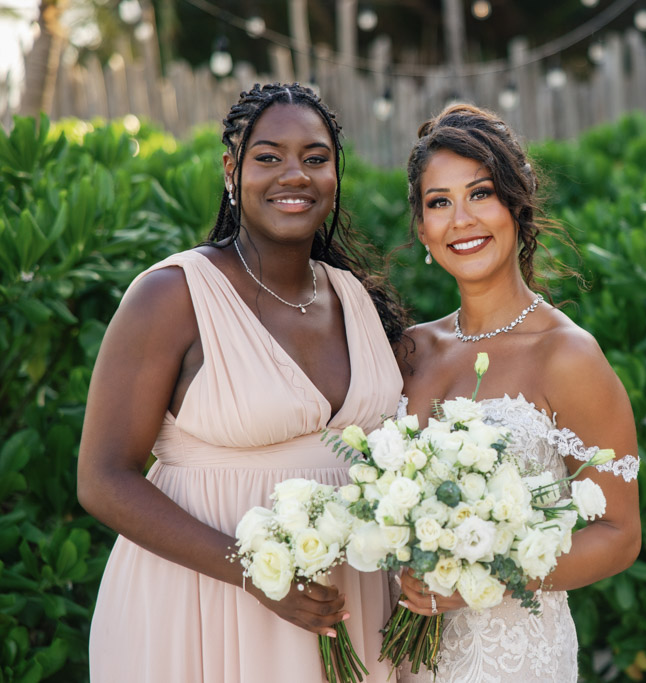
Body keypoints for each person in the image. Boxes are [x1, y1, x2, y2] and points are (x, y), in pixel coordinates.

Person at [78, 83, 404, 682]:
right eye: (268, 157)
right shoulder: (173, 295)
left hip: (348, 608)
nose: (294, 175)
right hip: (202, 607)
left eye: (315, 158)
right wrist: (254, 570)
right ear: (233, 170)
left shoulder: (356, 299)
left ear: (335, 176)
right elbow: (102, 479)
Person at [395, 103, 642, 682]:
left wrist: (487, 573)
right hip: (403, 659)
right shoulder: (407, 352)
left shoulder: (567, 355)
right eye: (439, 202)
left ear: (515, 203)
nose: (461, 220)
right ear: (423, 229)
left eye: (480, 194)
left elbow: (620, 535)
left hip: (515, 660)